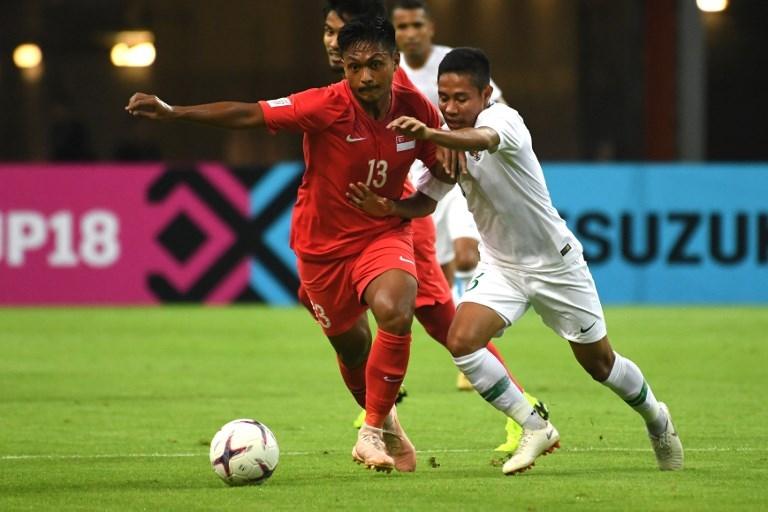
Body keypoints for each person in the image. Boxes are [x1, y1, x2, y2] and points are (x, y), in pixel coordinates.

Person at [127, 16, 443, 474]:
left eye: (375, 64)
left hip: (382, 232)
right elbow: (250, 113)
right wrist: (177, 112)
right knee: (353, 348)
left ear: (395, 62)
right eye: (354, 67)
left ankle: (369, 430)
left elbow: (439, 177)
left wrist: (404, 209)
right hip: (323, 248)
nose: (365, 77)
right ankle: (389, 424)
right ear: (343, 68)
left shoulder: (417, 109)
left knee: (396, 308)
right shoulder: (325, 105)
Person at [347, 47, 684, 475]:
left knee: (600, 364)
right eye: (444, 98)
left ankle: (656, 417)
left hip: (555, 265)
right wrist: (389, 208)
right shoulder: (448, 142)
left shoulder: (502, 119)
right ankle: (534, 425)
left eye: (461, 99)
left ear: (485, 93)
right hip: (503, 267)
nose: (450, 108)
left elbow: (482, 140)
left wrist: (433, 135)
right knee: (461, 341)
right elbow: (424, 201)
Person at [323, 0, 548, 452]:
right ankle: (380, 409)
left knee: (442, 319)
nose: (330, 40)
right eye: (326, 32)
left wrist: (446, 142)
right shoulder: (359, 79)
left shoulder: (393, 78)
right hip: (390, 208)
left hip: (411, 207)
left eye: (336, 31)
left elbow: (475, 119)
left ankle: (522, 409)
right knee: (419, 319)